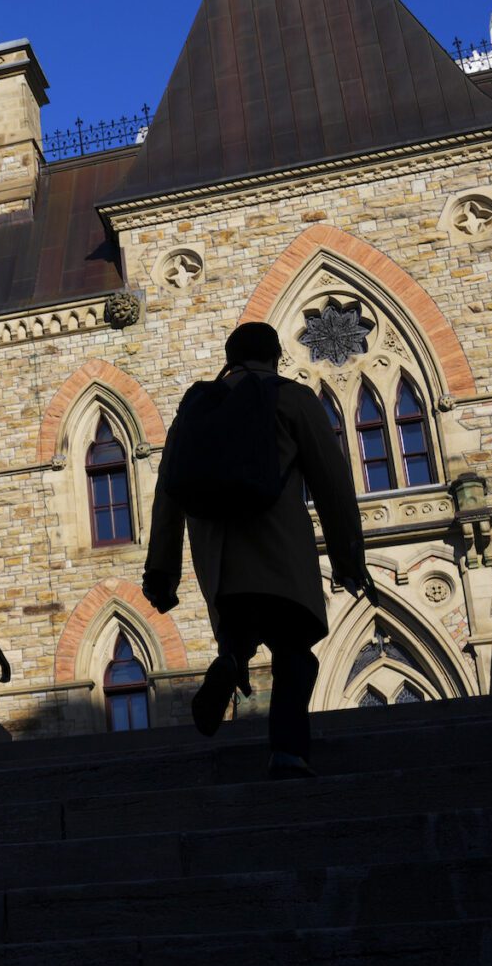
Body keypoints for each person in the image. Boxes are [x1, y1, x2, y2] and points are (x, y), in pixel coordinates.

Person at [142, 320, 368, 778]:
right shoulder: (292, 398)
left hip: (221, 560)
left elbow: (168, 494)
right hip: (279, 547)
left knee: (239, 635)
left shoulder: (196, 408)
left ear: (230, 359)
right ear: (275, 358)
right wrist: (348, 560)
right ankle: (287, 752)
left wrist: (161, 572)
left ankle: (229, 661)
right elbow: (332, 485)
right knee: (293, 651)